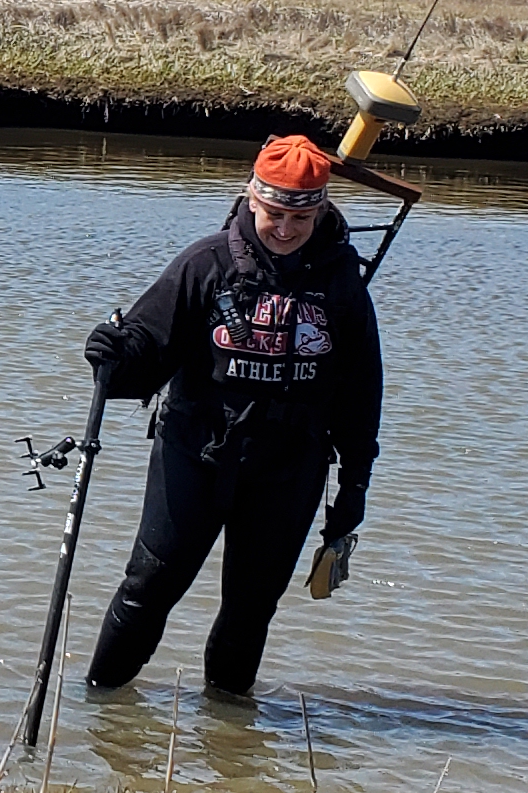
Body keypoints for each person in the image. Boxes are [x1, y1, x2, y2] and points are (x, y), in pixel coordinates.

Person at [76, 133, 382, 701]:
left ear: (321, 211)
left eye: (302, 217)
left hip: (291, 468)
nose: (286, 230)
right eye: (274, 215)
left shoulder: (342, 285)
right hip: (194, 454)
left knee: (251, 609)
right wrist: (114, 355)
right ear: (251, 199)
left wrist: (354, 486)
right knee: (149, 585)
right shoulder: (205, 263)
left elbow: (362, 395)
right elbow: (145, 352)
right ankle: (100, 710)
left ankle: (228, 742)